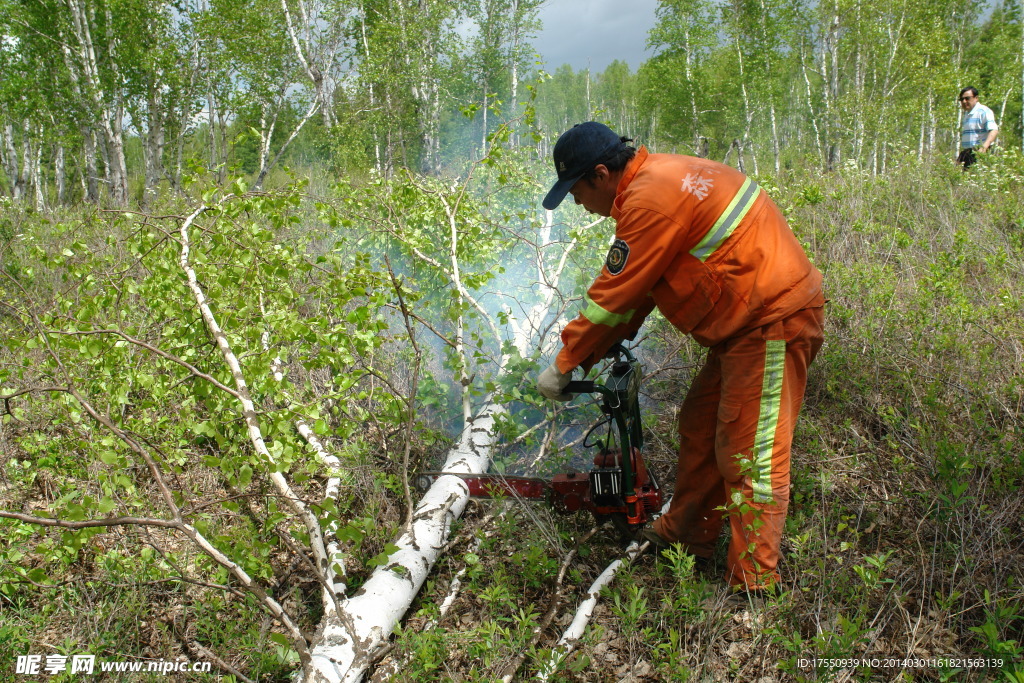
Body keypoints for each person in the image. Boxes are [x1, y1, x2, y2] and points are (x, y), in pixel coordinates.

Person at [536, 122, 825, 592]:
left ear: (602, 174)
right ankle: (689, 532)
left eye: (575, 190)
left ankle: (754, 581)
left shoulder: (651, 199)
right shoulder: (659, 180)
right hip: (743, 325)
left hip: (773, 320)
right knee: (699, 424)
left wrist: (565, 363)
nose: (575, 202)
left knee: (752, 453)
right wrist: (596, 352)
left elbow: (613, 296)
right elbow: (644, 287)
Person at [958, 87, 999, 168]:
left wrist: (984, 148)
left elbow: (994, 130)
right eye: (961, 99)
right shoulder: (967, 114)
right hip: (967, 153)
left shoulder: (983, 112)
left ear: (976, 98)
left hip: (980, 152)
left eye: (967, 98)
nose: (964, 101)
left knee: (977, 178)